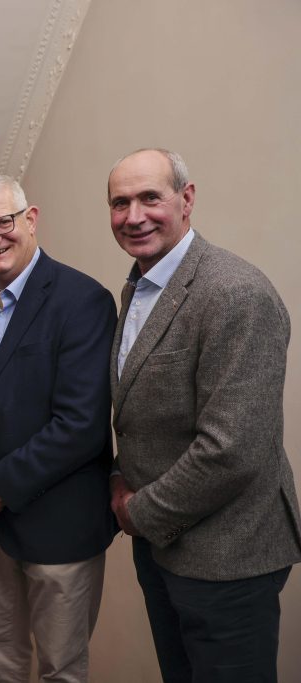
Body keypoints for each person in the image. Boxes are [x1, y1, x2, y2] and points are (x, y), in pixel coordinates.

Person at [107, 148, 301, 682]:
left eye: (151, 197)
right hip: (164, 547)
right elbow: (142, 412)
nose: (134, 215)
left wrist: (136, 512)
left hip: (226, 555)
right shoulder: (141, 285)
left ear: (186, 200)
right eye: (120, 203)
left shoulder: (236, 293)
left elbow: (231, 449)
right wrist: (122, 473)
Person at [0, 173, 116, 682]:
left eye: (3, 222)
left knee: (61, 668)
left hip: (60, 523)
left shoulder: (83, 301)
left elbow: (81, 423)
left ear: (31, 219)